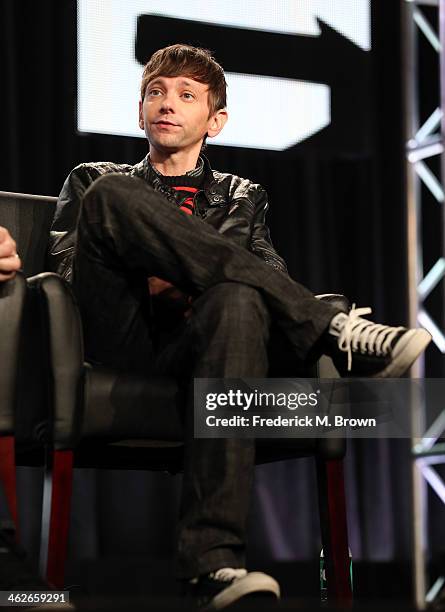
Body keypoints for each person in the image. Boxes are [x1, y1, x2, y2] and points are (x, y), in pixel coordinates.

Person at [47, 44, 431, 610]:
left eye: (185, 95)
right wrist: (185, 269)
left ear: (215, 120)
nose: (166, 104)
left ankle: (213, 565)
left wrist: (189, 275)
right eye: (155, 92)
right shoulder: (94, 178)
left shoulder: (242, 196)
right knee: (120, 204)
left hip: (204, 344)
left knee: (236, 302)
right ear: (138, 111)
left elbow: (261, 281)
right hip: (118, 332)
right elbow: (70, 273)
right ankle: (333, 329)